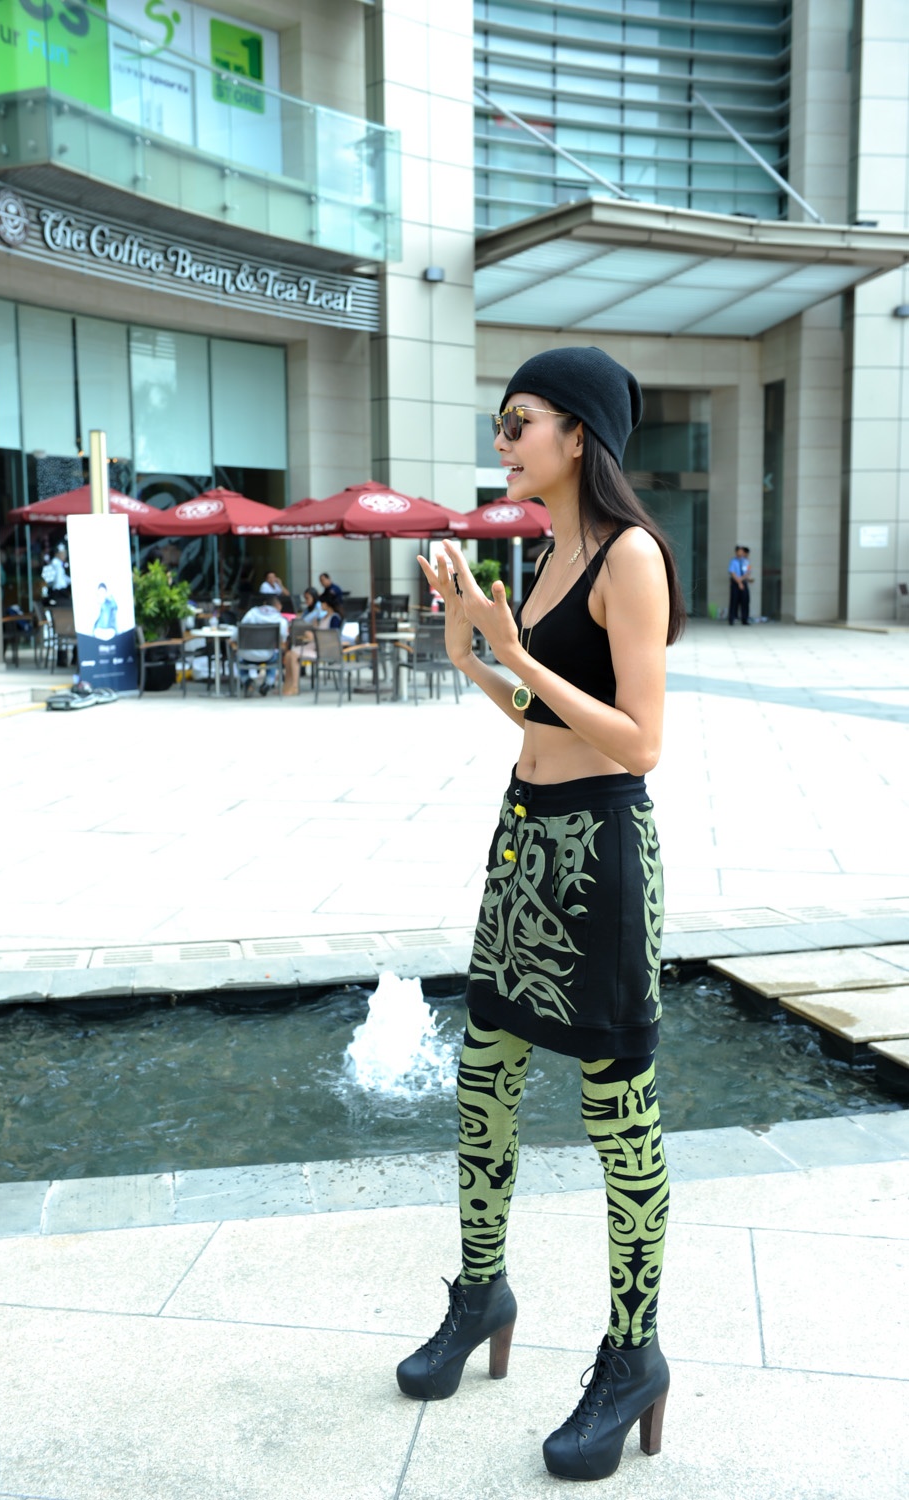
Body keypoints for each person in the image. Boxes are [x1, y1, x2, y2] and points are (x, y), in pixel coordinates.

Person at [405, 346, 686, 1483]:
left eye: (517, 420)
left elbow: (639, 741)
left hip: (599, 860)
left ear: (579, 434)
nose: (502, 440)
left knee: (620, 1116)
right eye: (500, 420)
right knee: (482, 1080)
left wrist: (515, 649)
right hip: (523, 843)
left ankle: (632, 1356)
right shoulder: (548, 552)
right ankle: (480, 1296)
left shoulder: (630, 556)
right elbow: (540, 717)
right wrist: (473, 654)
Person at [238, 594, 298, 696]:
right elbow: (283, 639)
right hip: (268, 656)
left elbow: (239, 632)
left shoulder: (251, 613)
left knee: (238, 657)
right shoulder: (280, 619)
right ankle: (268, 683)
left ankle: (247, 681)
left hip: (247, 655)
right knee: (275, 656)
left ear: (265, 604)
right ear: (278, 606)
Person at [728, 544, 751, 625]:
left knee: (745, 601)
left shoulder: (746, 561)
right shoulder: (733, 561)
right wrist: (739, 582)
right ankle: (732, 619)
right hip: (735, 583)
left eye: (742, 551)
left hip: (743, 582)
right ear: (736, 552)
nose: (741, 552)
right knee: (734, 601)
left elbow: (748, 572)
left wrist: (741, 581)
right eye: (739, 551)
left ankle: (745, 619)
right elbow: (732, 573)